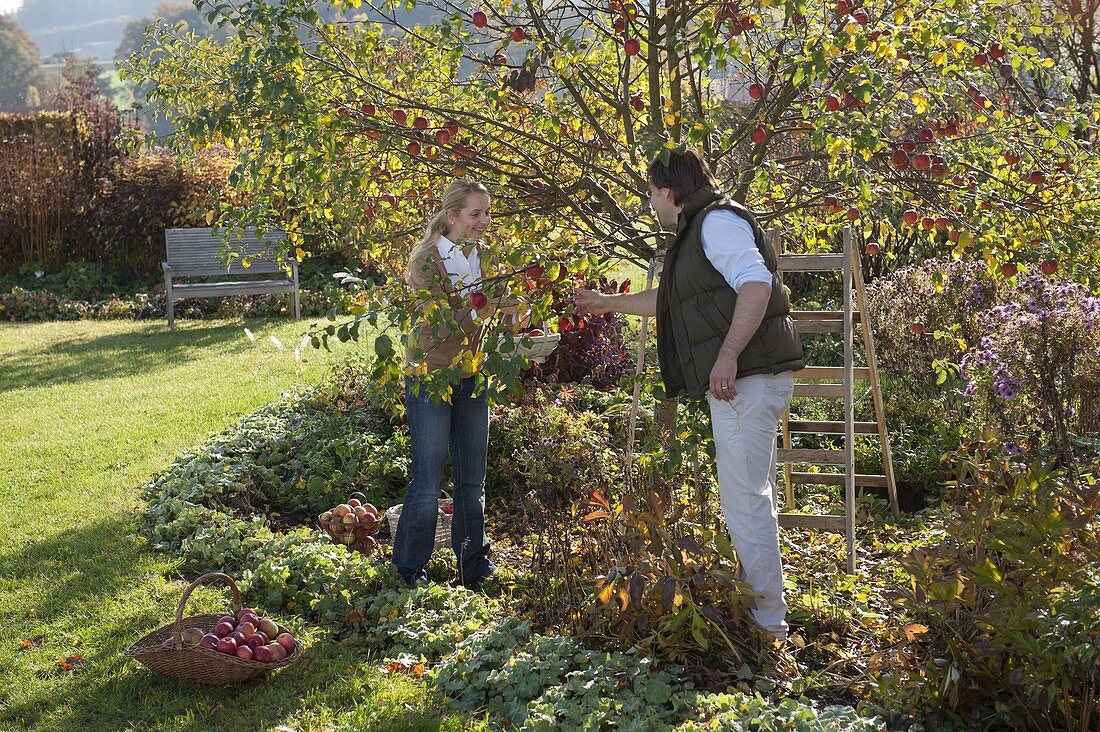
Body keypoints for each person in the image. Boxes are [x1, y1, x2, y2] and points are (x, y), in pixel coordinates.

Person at [574, 150, 804, 640]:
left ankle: (768, 625)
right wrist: (605, 302)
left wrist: (726, 356)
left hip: (747, 379)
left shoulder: (716, 224)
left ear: (670, 192)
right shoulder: (701, 229)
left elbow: (757, 285)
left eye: (652, 192)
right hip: (750, 378)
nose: (650, 202)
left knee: (746, 501)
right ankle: (761, 612)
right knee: (750, 498)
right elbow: (670, 303)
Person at [394, 178, 515, 589]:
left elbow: (488, 315)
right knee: (428, 479)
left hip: (471, 376)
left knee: (472, 479)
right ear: (452, 217)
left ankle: (473, 566)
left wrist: (518, 317)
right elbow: (447, 318)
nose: (485, 221)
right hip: (430, 378)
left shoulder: (485, 257)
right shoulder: (426, 260)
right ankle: (411, 571)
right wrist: (497, 304)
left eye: (487, 212)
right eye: (475, 214)